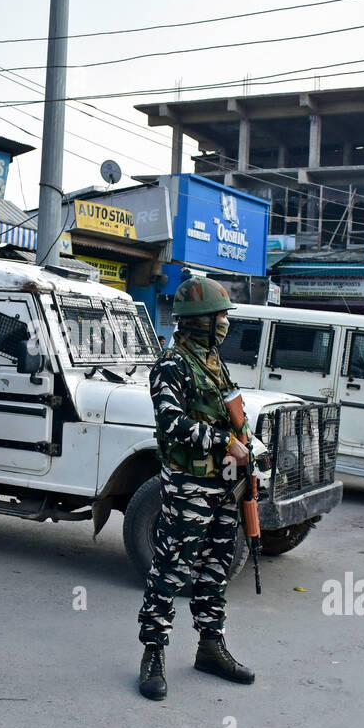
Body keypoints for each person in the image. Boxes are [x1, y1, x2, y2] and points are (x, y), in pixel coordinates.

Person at [137, 276, 255, 701]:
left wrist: (248, 444)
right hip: (189, 485)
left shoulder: (213, 361)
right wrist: (225, 442)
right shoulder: (173, 364)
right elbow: (171, 423)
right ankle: (153, 652)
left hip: (224, 483)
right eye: (219, 316)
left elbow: (230, 411)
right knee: (172, 567)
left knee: (216, 566)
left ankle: (210, 645)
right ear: (198, 320)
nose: (224, 322)